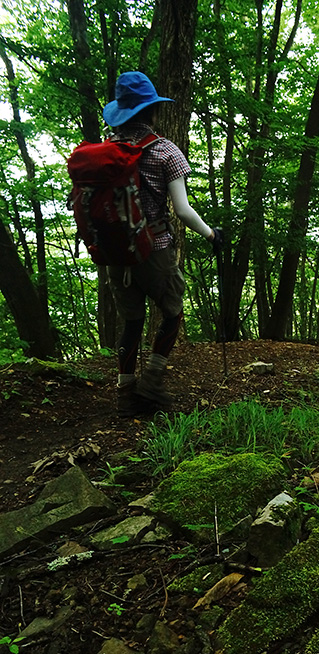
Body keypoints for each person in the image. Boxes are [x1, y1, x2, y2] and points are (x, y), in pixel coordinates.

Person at [102, 71, 221, 417]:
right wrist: (212, 234)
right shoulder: (165, 150)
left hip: (114, 252)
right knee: (172, 313)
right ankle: (152, 381)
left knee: (131, 323)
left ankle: (126, 396)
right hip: (154, 248)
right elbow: (182, 210)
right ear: (151, 110)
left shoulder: (105, 150)